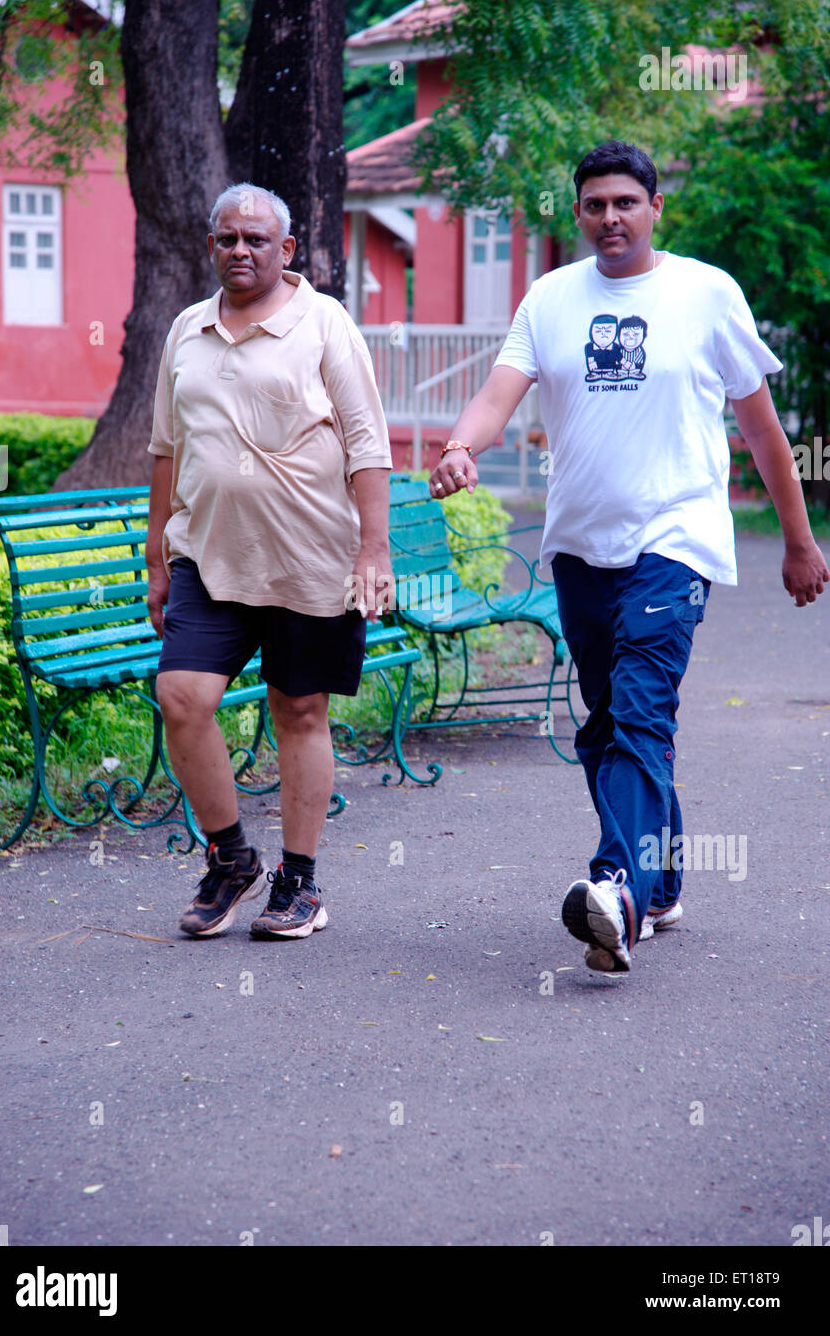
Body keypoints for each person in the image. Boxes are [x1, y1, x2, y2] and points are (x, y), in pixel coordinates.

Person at [428, 140, 828, 974]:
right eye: (594, 205)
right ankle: (663, 877)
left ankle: (617, 891)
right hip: (578, 543)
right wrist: (463, 447)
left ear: (654, 209)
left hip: (674, 540)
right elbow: (499, 395)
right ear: (577, 213)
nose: (610, 217)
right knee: (607, 723)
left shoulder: (706, 293)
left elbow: (761, 430)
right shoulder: (550, 298)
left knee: (642, 712)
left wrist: (798, 539)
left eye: (625, 203)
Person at [145, 184, 393, 941]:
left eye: (256, 239)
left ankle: (301, 882)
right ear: (211, 246)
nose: (240, 251)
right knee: (183, 698)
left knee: (299, 710)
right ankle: (229, 859)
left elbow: (366, 440)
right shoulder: (187, 330)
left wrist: (373, 549)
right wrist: (157, 555)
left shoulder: (324, 324)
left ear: (288, 250)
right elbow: (165, 448)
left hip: (310, 558)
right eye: (227, 239)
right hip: (210, 559)